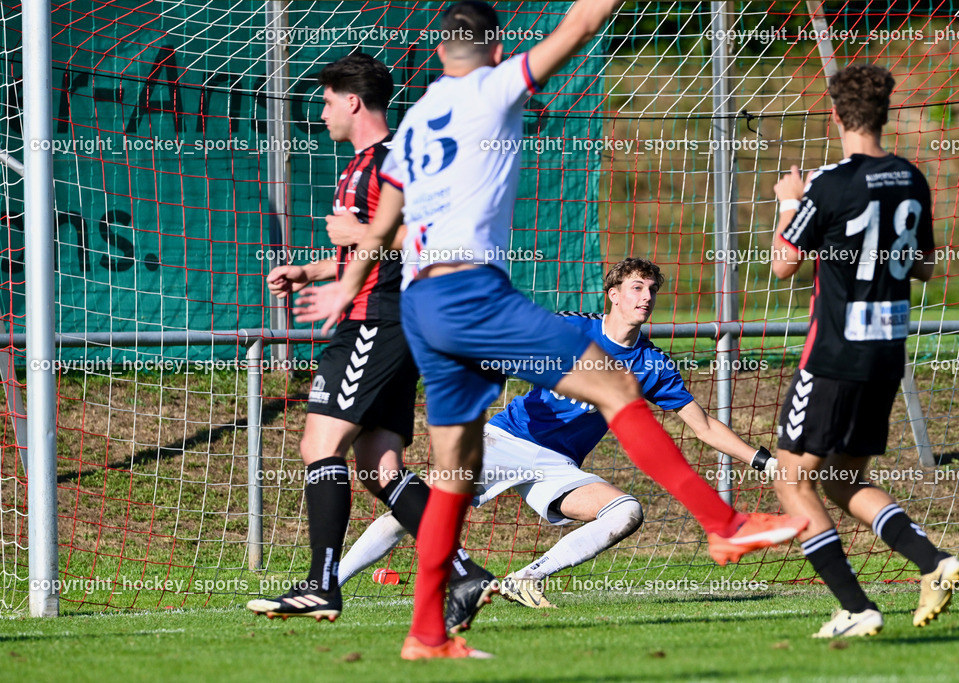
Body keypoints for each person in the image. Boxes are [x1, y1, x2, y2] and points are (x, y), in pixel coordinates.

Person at [295, 1, 808, 659]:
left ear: (440, 47)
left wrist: (341, 283)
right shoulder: (493, 85)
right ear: (493, 46)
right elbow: (582, 24)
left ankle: (426, 632)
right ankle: (724, 522)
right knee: (619, 385)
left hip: (420, 308)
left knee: (454, 469)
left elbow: (386, 216)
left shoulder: (418, 117)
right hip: (470, 293)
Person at [332, 258, 780, 609]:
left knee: (626, 512)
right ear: (613, 296)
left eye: (651, 290)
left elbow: (702, 428)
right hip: (505, 442)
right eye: (636, 288)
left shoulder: (652, 364)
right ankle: (328, 583)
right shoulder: (572, 327)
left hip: (558, 467)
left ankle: (526, 577)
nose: (645, 298)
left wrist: (765, 461)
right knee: (417, 509)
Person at [246, 52, 492, 623]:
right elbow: (367, 250)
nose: (323, 111)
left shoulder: (390, 161)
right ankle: (464, 575)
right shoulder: (359, 164)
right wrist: (312, 270)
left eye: (328, 100)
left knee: (318, 447)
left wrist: (357, 234)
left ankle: (321, 586)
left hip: (377, 320)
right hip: (384, 319)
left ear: (352, 101)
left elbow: (434, 242)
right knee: (380, 468)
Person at [771, 63, 959, 638]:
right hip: (887, 353)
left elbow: (782, 265)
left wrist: (788, 201)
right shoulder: (911, 178)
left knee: (788, 473)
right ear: (885, 114)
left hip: (834, 352)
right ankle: (934, 562)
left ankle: (856, 605)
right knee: (842, 478)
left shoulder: (829, 183)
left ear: (834, 115)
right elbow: (925, 266)